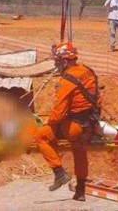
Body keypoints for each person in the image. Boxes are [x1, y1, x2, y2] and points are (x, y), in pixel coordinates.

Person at [34, 42, 100, 202]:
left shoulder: (67, 80)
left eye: (57, 61)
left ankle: (59, 173)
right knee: (79, 152)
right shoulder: (87, 71)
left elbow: (59, 112)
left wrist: (48, 123)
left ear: (64, 61)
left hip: (74, 127)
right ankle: (80, 191)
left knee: (40, 136)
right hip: (89, 125)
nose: (56, 65)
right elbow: (98, 99)